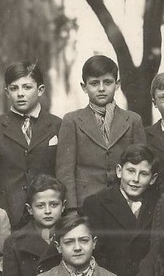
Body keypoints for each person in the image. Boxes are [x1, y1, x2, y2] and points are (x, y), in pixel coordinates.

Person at [55, 54, 146, 211]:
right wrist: (71, 210)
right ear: (84, 87)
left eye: (108, 82)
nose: (101, 89)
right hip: (86, 205)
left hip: (125, 204)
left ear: (117, 84)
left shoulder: (132, 120)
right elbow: (65, 172)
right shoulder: (72, 121)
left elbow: (143, 166)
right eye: (94, 83)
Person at [0, 60, 61, 229]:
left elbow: (62, 173)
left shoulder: (57, 125)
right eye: (14, 88)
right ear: (7, 92)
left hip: (47, 213)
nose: (20, 94)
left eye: (27, 87)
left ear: (40, 90)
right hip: (8, 213)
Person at [81, 146, 161, 276]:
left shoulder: (159, 205)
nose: (135, 179)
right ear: (119, 171)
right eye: (131, 171)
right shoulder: (96, 203)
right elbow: (95, 254)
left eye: (143, 174)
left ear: (153, 179)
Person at [0, 174, 65, 276]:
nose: (47, 211)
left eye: (54, 205)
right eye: (40, 206)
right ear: (29, 209)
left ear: (63, 207)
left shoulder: (73, 238)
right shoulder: (14, 243)